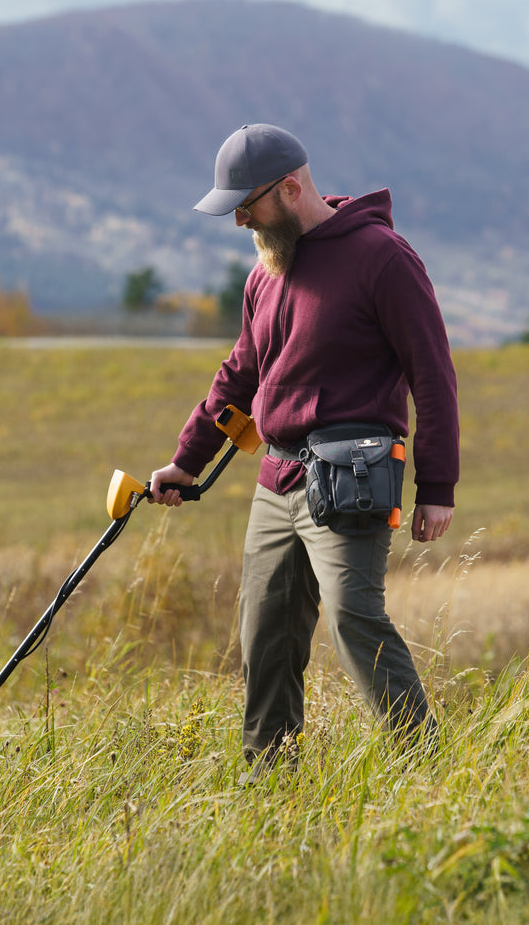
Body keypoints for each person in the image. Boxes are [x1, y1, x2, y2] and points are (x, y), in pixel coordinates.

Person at [148, 123, 460, 774]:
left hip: (352, 477)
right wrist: (188, 457)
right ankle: (271, 790)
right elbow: (239, 373)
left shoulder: (383, 259)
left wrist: (436, 487)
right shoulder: (266, 273)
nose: (238, 221)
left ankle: (427, 769)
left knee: (354, 622)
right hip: (275, 480)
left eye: (247, 205)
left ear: (291, 188)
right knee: (263, 639)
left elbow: (432, 375)